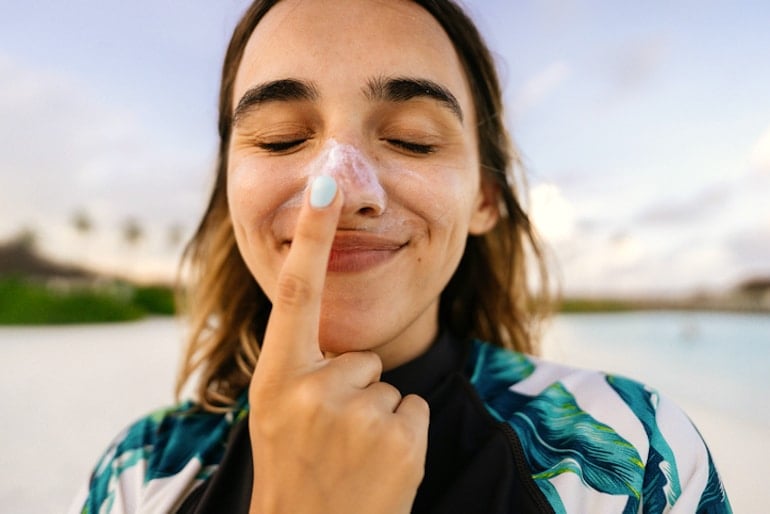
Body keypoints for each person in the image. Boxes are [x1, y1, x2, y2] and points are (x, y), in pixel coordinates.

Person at [70, 1, 732, 512]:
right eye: (279, 140)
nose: (344, 187)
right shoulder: (140, 472)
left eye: (414, 141)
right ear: (227, 197)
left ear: (485, 198)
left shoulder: (637, 453)